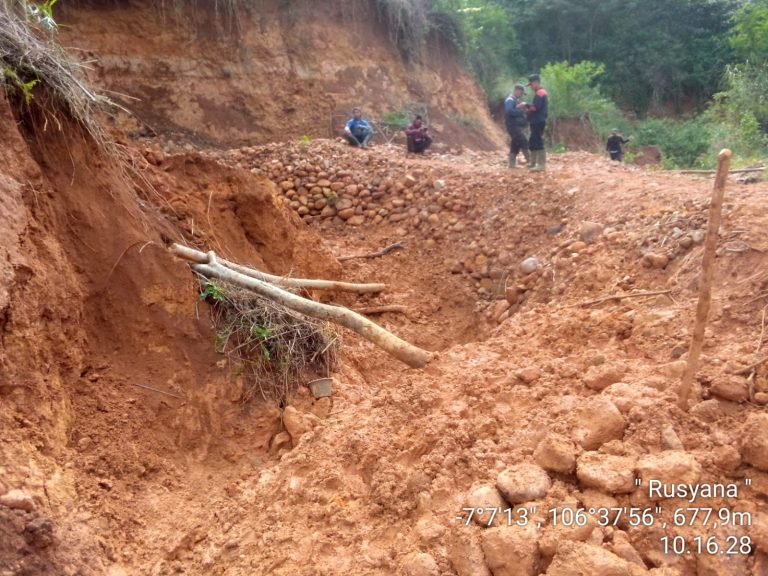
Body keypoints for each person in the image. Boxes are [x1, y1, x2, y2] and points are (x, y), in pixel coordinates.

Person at [526, 74, 549, 172]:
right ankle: (533, 162)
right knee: (533, 141)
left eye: (531, 84)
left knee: (538, 141)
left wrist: (526, 106)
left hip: (538, 121)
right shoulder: (540, 93)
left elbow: (535, 108)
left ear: (536, 83)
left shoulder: (540, 93)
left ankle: (541, 165)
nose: (530, 87)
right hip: (536, 121)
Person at [504, 83, 530, 168]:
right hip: (512, 126)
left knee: (515, 144)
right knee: (523, 141)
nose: (521, 95)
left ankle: (511, 164)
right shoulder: (510, 100)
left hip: (515, 125)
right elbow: (509, 111)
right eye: (521, 93)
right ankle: (531, 161)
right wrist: (521, 111)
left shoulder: (515, 100)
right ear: (517, 91)